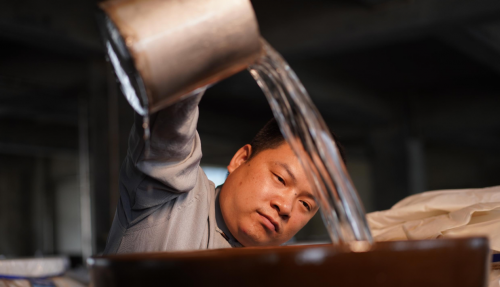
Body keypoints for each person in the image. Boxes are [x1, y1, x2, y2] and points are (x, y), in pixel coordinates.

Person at [103, 91, 343, 254]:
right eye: (280, 179)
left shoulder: (281, 268)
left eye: (306, 204)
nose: (286, 208)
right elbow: (169, 123)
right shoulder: (169, 197)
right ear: (240, 160)